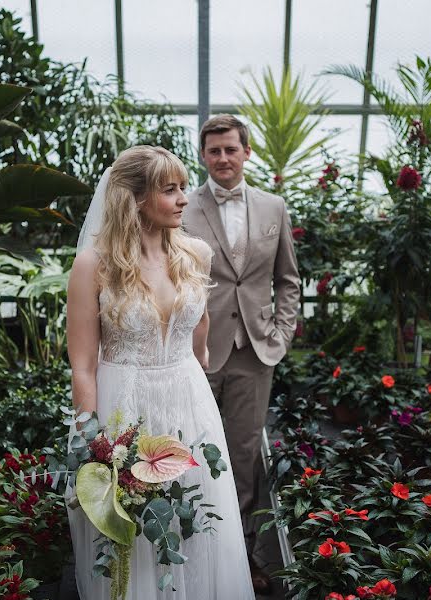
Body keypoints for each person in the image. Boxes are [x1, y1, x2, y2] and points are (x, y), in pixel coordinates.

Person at [66, 145, 255, 599]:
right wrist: (97, 448)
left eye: (183, 188)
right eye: (169, 190)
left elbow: (199, 335)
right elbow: (83, 366)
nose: (184, 199)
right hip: (123, 407)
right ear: (133, 198)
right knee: (136, 527)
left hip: (188, 404)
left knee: (197, 518)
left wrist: (190, 367)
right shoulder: (94, 264)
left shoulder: (195, 254)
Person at [182, 114, 301, 594]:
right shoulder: (184, 207)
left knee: (246, 452)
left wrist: (282, 332)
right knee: (190, 449)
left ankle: (245, 559)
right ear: (203, 156)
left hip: (255, 350)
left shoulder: (274, 207)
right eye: (214, 151)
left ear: (247, 152)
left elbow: (288, 279)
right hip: (195, 351)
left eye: (231, 149)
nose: (223, 158)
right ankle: (195, 550)